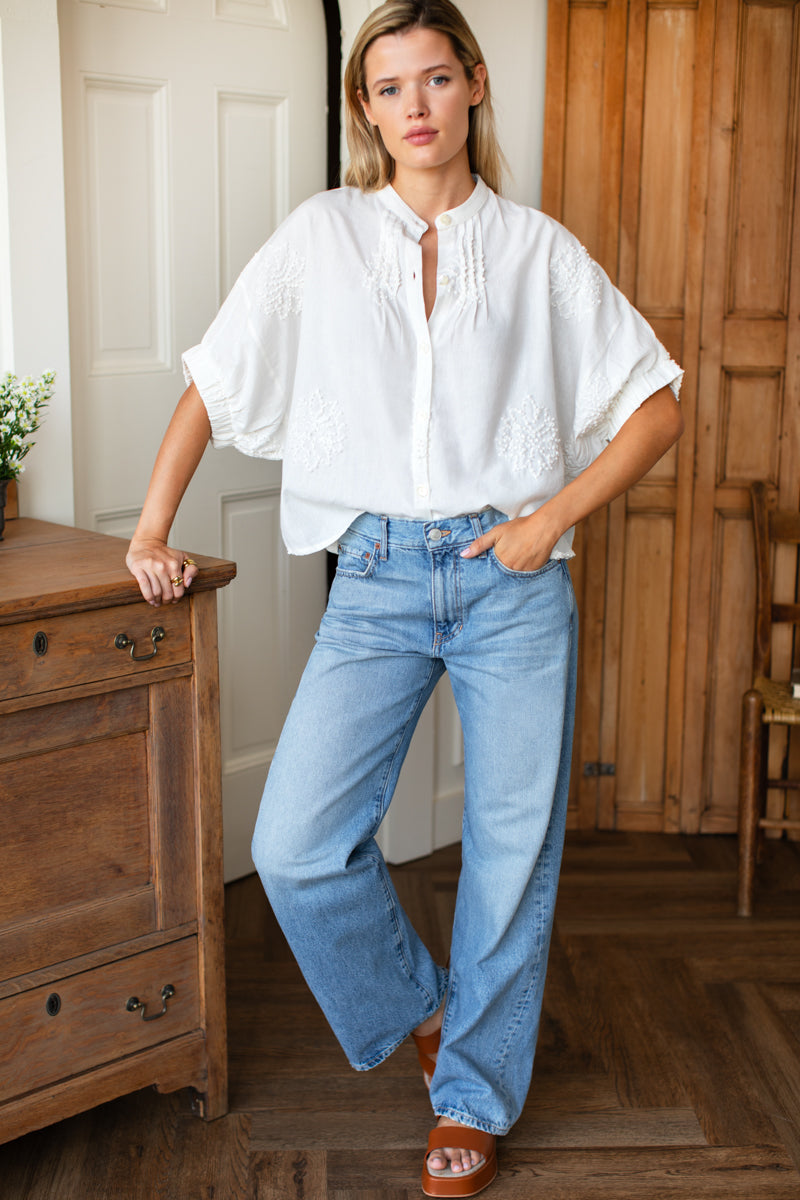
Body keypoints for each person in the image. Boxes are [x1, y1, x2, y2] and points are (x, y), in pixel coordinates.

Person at [126, 2, 684, 1194]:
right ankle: (427, 1007)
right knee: (293, 845)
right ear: (364, 110)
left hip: (511, 581)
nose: (414, 108)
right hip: (375, 576)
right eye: (388, 89)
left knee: (506, 852)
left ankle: (473, 1095)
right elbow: (212, 384)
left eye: (435, 80)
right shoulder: (321, 238)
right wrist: (149, 527)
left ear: (474, 88)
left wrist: (548, 520)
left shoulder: (536, 252)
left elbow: (656, 405)